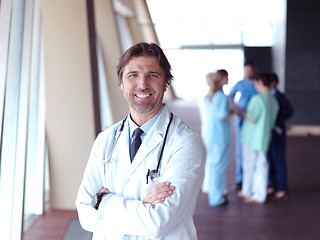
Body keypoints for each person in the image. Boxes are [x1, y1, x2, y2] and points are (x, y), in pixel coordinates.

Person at [75, 42, 205, 239]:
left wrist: (103, 200)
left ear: (165, 83)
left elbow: (157, 223)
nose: (142, 84)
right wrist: (142, 205)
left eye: (152, 75)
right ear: (121, 83)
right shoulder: (106, 140)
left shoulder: (186, 142)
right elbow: (85, 214)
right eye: (133, 75)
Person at [239, 73, 279, 204]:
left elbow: (251, 118)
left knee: (249, 165)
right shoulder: (273, 100)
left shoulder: (258, 99)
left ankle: (248, 191)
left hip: (251, 138)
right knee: (261, 165)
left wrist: (242, 111)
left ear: (260, 82)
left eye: (255, 83)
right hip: (264, 137)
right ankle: (259, 194)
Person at [203, 70, 234, 206]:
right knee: (219, 167)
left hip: (213, 134)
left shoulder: (212, 95)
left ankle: (217, 194)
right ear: (223, 78)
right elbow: (222, 115)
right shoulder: (221, 96)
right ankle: (217, 198)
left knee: (215, 165)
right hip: (220, 135)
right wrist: (233, 111)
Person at [228, 61, 257, 190]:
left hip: (255, 119)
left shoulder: (258, 84)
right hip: (241, 119)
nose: (248, 73)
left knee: (255, 148)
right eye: (246, 71)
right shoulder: (240, 84)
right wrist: (236, 109)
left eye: (250, 71)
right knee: (240, 149)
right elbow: (230, 98)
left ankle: (255, 177)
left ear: (254, 71)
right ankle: (241, 179)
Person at [267, 73, 294, 200]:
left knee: (278, 159)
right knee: (269, 158)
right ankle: (272, 185)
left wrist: (278, 119)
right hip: (269, 131)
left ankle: (282, 188)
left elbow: (290, 111)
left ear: (274, 83)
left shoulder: (279, 96)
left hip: (277, 131)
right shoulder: (267, 96)